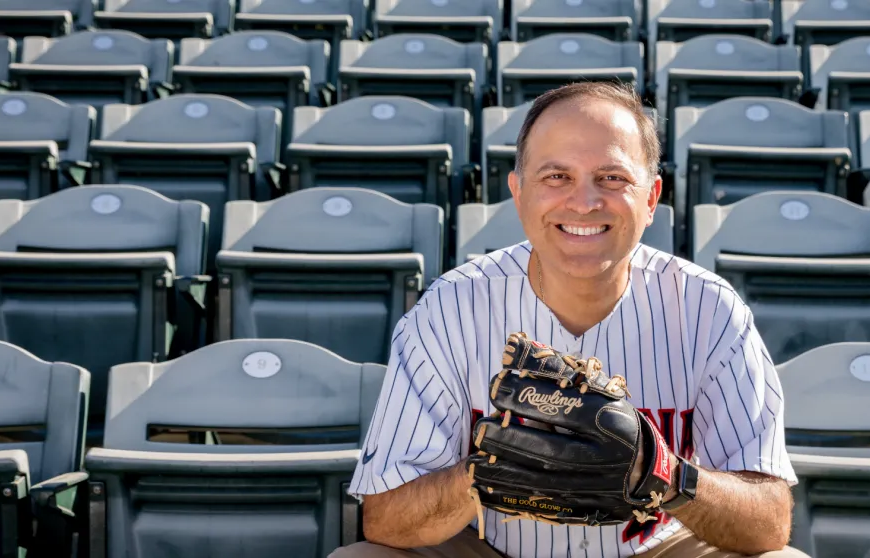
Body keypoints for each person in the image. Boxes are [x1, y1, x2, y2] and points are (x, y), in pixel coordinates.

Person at [331, 82, 807, 558]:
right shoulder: (450, 308)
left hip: (657, 549)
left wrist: (662, 471)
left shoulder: (709, 308)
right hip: (492, 548)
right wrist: (485, 471)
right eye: (556, 176)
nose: (584, 203)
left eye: (613, 178)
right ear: (518, 193)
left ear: (651, 198)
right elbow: (384, 518)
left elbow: (769, 520)